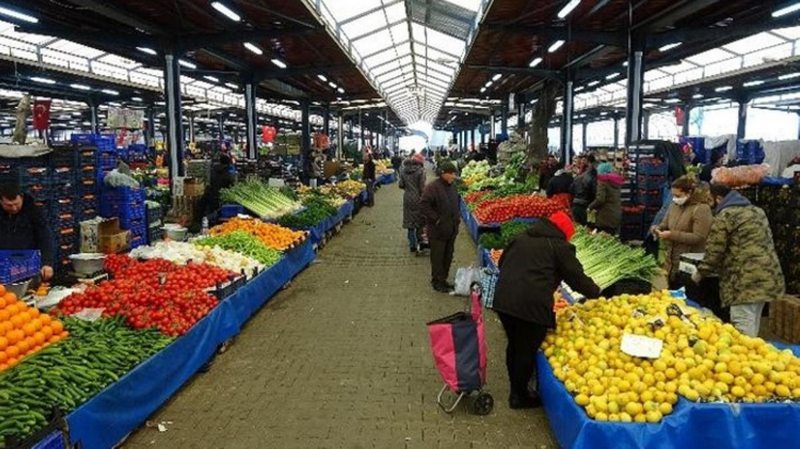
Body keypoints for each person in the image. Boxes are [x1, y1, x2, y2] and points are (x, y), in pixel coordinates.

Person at [493, 211, 601, 409]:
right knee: (526, 349)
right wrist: (598, 294)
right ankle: (519, 396)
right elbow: (576, 278)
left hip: (504, 299)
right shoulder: (559, 247)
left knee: (515, 345)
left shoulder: (522, 237)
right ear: (565, 233)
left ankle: (516, 388)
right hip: (530, 304)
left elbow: (502, 262)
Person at [692, 184, 785, 337]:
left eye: (710, 201)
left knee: (742, 327)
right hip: (768, 276)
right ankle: (754, 352)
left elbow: (715, 250)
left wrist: (700, 273)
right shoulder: (757, 211)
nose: (709, 205)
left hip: (744, 281)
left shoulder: (726, 215)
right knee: (753, 318)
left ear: (719, 199)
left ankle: (747, 357)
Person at [651, 176, 713, 289]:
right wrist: (657, 228)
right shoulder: (674, 205)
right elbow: (665, 223)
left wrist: (671, 235)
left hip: (689, 265)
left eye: (678, 196)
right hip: (671, 263)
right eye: (673, 195)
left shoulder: (702, 209)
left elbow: (699, 237)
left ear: (689, 193)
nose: (674, 198)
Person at [0, 183, 54, 281]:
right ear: (1, 201)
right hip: (3, 265)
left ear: (21, 197)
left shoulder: (33, 211)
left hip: (27, 265)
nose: (14, 208)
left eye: (16, 204)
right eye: (9, 205)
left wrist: (47, 263)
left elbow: (45, 237)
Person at [420, 161, 460, 293]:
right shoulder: (433, 188)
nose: (453, 176)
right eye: (451, 174)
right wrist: (436, 219)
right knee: (438, 257)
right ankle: (436, 281)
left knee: (448, 256)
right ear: (444, 174)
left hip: (451, 229)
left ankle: (443, 279)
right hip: (437, 231)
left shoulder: (452, 187)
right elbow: (424, 205)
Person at [399, 153, 426, 252]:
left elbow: (401, 185)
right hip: (418, 197)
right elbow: (422, 187)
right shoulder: (420, 171)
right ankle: (420, 241)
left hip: (407, 198)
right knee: (419, 221)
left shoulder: (403, 170)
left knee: (409, 222)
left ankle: (412, 245)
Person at [588, 162, 623, 235]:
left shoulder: (602, 181)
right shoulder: (616, 182)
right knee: (612, 237)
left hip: (605, 216)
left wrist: (590, 207)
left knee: (603, 238)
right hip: (616, 214)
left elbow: (600, 199)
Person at [570, 154, 597, 225]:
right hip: (585, 205)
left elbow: (571, 190)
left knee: (577, 227)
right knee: (586, 227)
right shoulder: (592, 177)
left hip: (575, 204)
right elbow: (594, 192)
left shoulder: (578, 177)